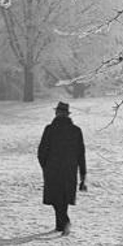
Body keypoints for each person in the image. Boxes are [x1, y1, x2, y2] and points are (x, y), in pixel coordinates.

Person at [37, 101, 87, 236]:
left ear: (57, 113)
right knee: (63, 198)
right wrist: (83, 174)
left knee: (55, 197)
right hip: (69, 170)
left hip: (52, 169)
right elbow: (81, 154)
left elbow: (41, 151)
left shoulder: (50, 129)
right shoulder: (76, 131)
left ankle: (64, 222)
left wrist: (45, 166)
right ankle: (60, 225)